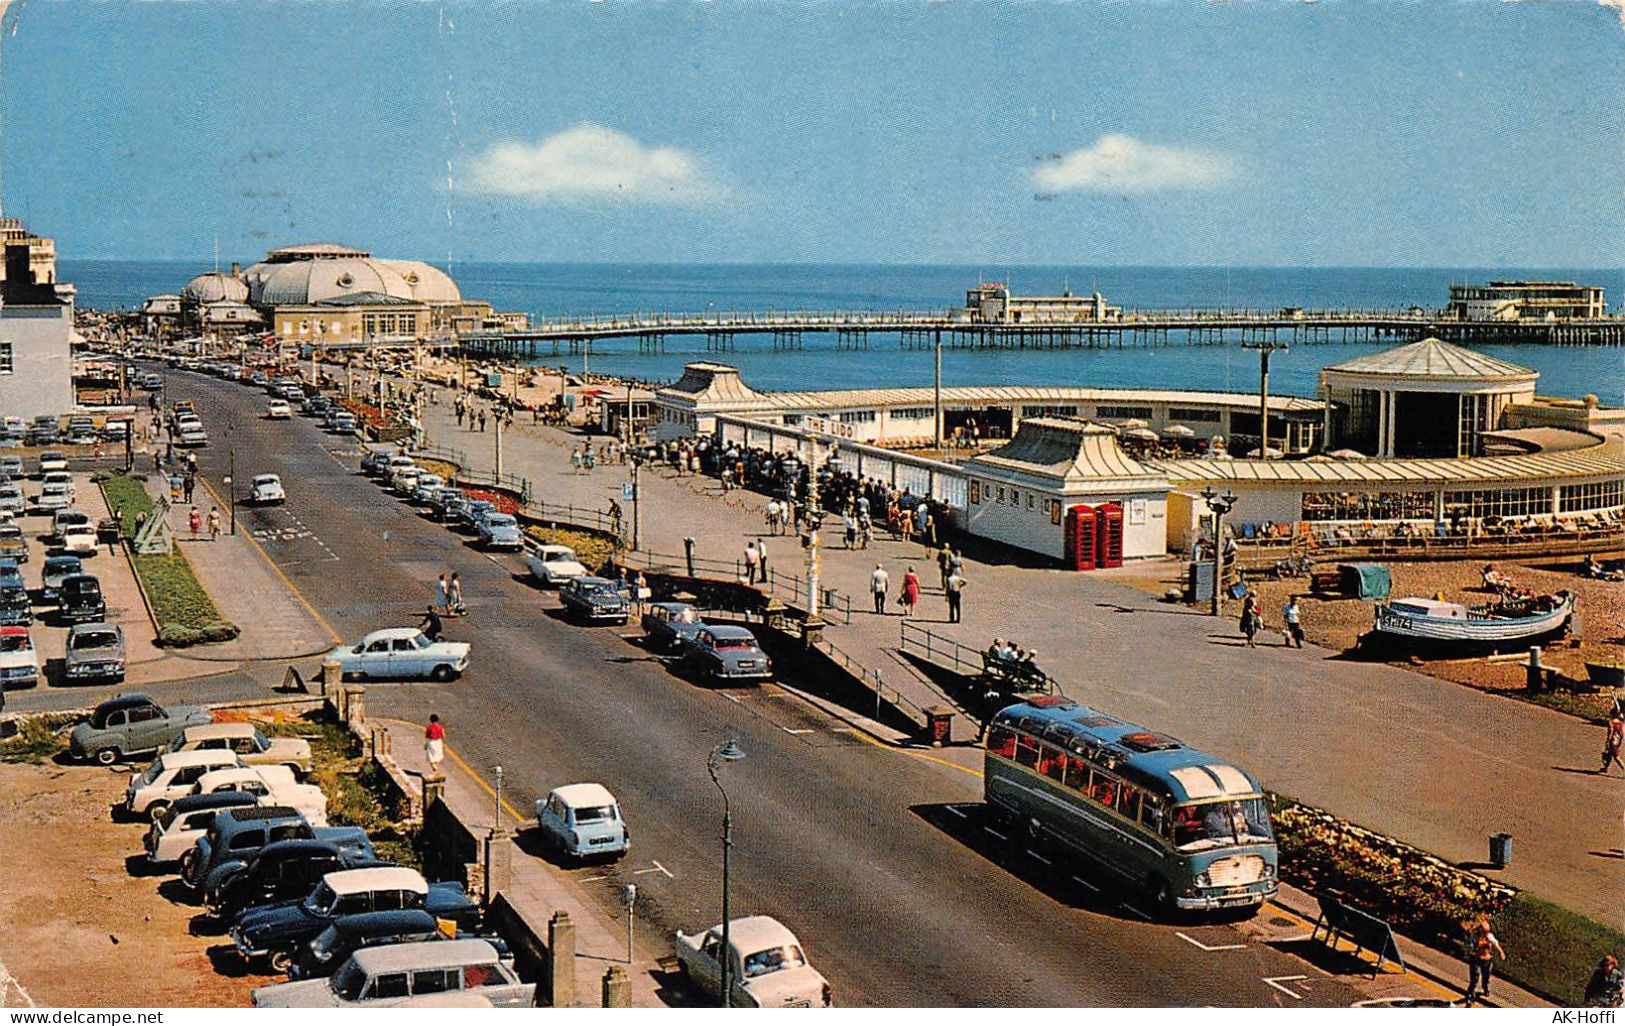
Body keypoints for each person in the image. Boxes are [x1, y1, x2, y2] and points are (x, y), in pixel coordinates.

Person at [1460, 916, 1506, 1006]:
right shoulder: (1475, 937)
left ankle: (1485, 989)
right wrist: (1473, 948)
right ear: (1480, 930)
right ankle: (1470, 996)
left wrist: (1501, 952)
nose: (1486, 933)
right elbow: (1470, 947)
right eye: (1484, 931)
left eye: (1487, 931)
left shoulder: (1489, 936)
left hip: (1486, 960)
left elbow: (1496, 944)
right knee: (1474, 979)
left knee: (1486, 976)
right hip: (1476, 959)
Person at [1601, 710, 1625, 776]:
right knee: (1609, 754)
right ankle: (1605, 768)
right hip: (1619, 740)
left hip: (1613, 741)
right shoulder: (1621, 723)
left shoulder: (1611, 722)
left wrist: (1608, 741)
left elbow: (1610, 732)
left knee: (1616, 757)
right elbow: (1623, 733)